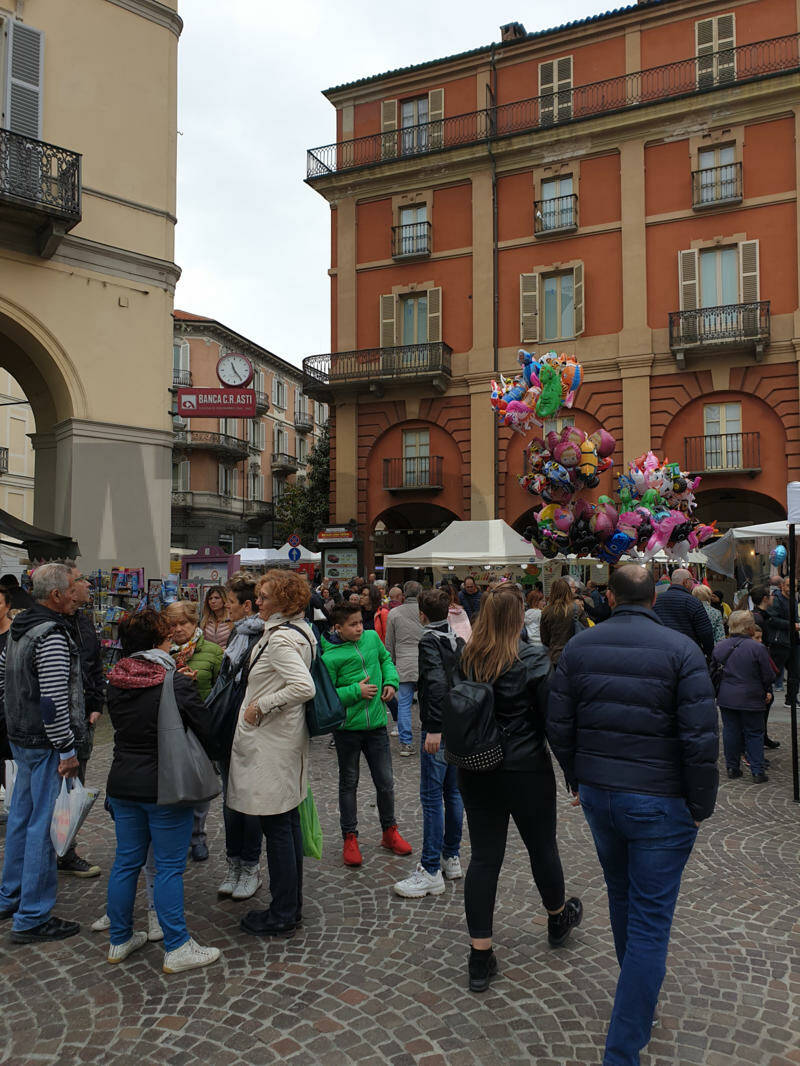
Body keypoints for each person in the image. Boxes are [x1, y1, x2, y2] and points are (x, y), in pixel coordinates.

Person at [547, 564, 718, 1066]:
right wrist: (699, 804)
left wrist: (576, 776)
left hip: (604, 794)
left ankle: (636, 1004)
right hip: (658, 801)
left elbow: (559, 723)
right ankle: (622, 1050)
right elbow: (700, 738)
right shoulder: (681, 650)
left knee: (625, 899)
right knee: (647, 921)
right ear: (655, 598)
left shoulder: (582, 646)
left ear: (611, 596)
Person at [454, 583, 582, 993]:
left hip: (477, 768)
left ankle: (479, 955)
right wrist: (573, 774)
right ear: (519, 616)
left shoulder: (468, 657)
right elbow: (554, 723)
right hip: (525, 767)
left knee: (484, 858)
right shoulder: (532, 660)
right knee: (542, 846)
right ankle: (557, 917)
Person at [104, 609, 221, 972]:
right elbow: (206, 728)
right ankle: (176, 945)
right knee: (169, 868)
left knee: (126, 862)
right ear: (160, 642)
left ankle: (120, 939)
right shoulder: (174, 681)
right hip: (165, 784)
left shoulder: (116, 679)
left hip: (123, 782)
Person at [227, 570, 316, 938]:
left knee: (277, 826)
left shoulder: (281, 640)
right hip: (281, 740)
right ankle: (289, 905)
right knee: (286, 824)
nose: (257, 602)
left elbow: (302, 686)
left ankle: (282, 912)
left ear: (285, 601)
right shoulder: (297, 630)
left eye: (264, 597)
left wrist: (261, 705)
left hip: (271, 742)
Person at [0, 563, 84, 943]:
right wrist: (66, 748)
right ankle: (32, 916)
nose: (80, 588)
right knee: (41, 828)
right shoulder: (50, 634)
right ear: (57, 595)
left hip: (22, 736)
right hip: (44, 742)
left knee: (21, 818)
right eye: (75, 584)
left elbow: (6, 681)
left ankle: (10, 897)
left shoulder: (19, 628)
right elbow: (52, 701)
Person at [321, 603, 411, 867]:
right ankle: (349, 837)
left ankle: (389, 831)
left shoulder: (371, 638)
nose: (360, 627)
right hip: (347, 730)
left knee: (385, 782)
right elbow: (327, 696)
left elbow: (385, 659)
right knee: (349, 783)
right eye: (353, 624)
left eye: (361, 622)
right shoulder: (329, 657)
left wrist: (391, 682)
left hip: (376, 728)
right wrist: (354, 692)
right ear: (337, 627)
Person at [394, 588, 465, 899]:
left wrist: (433, 728)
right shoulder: (457, 640)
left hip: (440, 726)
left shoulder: (428, 640)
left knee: (433, 797)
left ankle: (431, 868)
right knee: (453, 792)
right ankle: (451, 857)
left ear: (422, 615)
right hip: (459, 724)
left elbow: (435, 683)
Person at [211, 573, 265, 901]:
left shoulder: (261, 636)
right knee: (230, 799)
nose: (225, 608)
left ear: (246, 605)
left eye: (230, 603)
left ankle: (250, 865)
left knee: (250, 801)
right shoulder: (236, 635)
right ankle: (234, 863)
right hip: (228, 725)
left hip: (250, 727)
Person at [54, 567, 104, 878]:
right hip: (58, 723)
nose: (86, 585)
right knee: (55, 790)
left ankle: (65, 851)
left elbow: (94, 664)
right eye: (79, 581)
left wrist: (97, 703)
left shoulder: (83, 622)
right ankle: (57, 852)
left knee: (75, 789)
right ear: (63, 590)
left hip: (84, 716)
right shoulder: (50, 626)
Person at [165, 600, 223, 861]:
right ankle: (174, 835)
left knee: (200, 783)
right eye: (172, 624)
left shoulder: (212, 651)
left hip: (200, 725)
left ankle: (198, 836)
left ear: (194, 623)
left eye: (183, 623)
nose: (177, 629)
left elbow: (222, 690)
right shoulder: (162, 651)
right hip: (169, 726)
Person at [713, 610, 776, 783]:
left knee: (730, 731)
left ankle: (732, 768)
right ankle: (757, 771)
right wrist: (767, 690)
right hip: (752, 696)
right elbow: (768, 675)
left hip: (727, 696)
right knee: (754, 732)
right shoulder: (757, 648)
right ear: (748, 627)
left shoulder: (720, 646)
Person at [385, 580, 425, 756]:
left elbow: (389, 643)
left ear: (403, 595)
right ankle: (427, 737)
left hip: (403, 662)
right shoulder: (425, 612)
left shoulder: (394, 613)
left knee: (404, 704)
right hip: (425, 661)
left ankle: (406, 743)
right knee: (427, 702)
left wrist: (391, 662)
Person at [651, 568, 714, 658]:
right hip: (687, 653)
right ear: (686, 582)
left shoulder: (657, 601)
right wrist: (709, 654)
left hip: (661, 652)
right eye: (691, 581)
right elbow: (705, 633)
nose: (692, 584)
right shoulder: (693, 602)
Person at [751, 584, 781, 750]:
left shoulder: (763, 615)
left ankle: (762, 735)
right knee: (765, 700)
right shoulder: (758, 618)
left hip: (765, 659)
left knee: (766, 701)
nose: (772, 598)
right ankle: (759, 737)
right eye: (770, 595)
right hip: (762, 661)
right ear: (764, 598)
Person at [540, 578, 587, 666]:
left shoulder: (546, 611)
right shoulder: (576, 609)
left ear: (552, 592)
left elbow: (544, 638)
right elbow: (586, 631)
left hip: (555, 656)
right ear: (568, 591)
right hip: (574, 654)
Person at [766, 576, 798, 705]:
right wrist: (792, 625)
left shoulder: (793, 600)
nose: (792, 589)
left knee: (795, 672)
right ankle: (767, 695)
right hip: (779, 640)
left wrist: (796, 624)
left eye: (794, 586)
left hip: (793, 640)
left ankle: (791, 699)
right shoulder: (776, 599)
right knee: (774, 672)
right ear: (782, 586)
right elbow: (772, 619)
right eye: (789, 586)